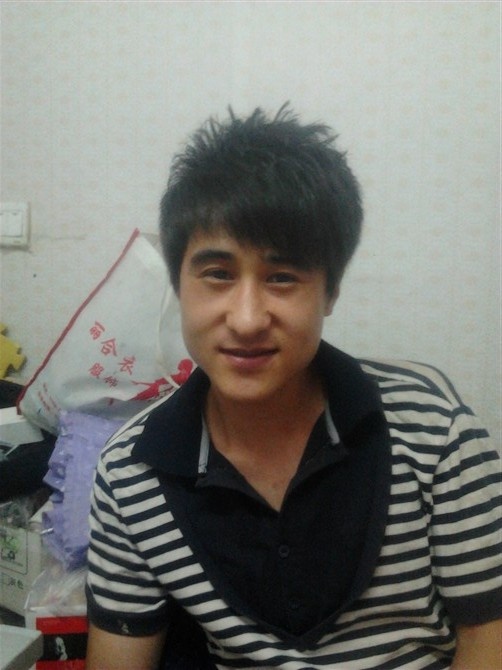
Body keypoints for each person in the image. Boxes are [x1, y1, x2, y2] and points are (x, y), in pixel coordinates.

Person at [85, 106, 501, 669]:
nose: (247, 319)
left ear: (331, 292)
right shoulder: (130, 471)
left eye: (282, 277)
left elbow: (488, 634)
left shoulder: (432, 426)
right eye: (217, 274)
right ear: (178, 285)